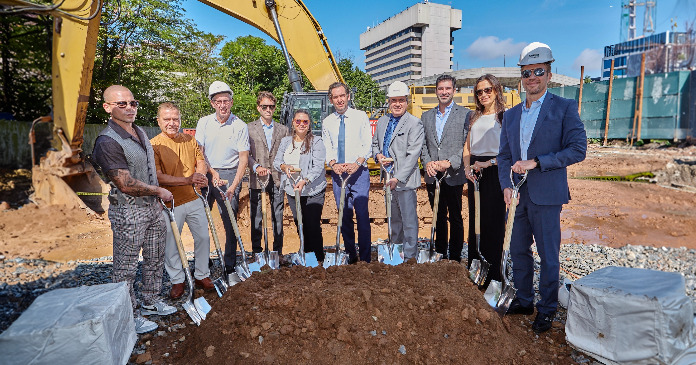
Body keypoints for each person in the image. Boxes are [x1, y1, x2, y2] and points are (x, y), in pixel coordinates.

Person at [498, 42, 587, 333]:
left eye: (538, 71)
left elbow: (578, 149)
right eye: (526, 73)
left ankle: (547, 309)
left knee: (549, 256)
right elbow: (504, 156)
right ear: (520, 77)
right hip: (517, 195)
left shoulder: (563, 108)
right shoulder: (510, 115)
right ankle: (524, 300)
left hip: (547, 195)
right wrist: (505, 186)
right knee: (518, 250)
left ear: (549, 74)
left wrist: (538, 161)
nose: (532, 77)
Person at [92, 85, 176, 334]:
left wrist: (156, 197)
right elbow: (125, 183)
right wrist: (159, 191)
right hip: (128, 212)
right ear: (107, 107)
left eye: (133, 103)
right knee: (126, 268)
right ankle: (128, 315)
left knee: (154, 257)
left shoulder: (139, 131)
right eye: (122, 104)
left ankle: (150, 301)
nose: (130, 108)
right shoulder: (107, 141)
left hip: (152, 208)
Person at [150, 102, 214, 299]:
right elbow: (158, 176)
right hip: (170, 204)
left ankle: (201, 275)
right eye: (167, 119)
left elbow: (200, 161)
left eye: (175, 119)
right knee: (172, 243)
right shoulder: (154, 145)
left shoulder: (189, 140)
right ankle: (178, 280)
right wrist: (187, 179)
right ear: (159, 120)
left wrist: (200, 175)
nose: (172, 123)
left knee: (203, 237)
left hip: (194, 198)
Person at [195, 81, 250, 276]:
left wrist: (233, 187)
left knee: (230, 222)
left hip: (229, 174)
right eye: (218, 101)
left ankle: (229, 264)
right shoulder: (204, 122)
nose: (223, 105)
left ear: (232, 102)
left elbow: (243, 159)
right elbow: (199, 152)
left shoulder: (240, 126)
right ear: (212, 104)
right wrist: (211, 172)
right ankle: (203, 261)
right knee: (201, 220)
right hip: (206, 173)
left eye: (226, 101)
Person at [372, 81, 425, 260]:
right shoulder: (382, 121)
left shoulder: (414, 124)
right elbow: (375, 145)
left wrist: (398, 178)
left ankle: (409, 257)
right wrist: (378, 155)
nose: (397, 104)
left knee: (409, 222)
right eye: (393, 100)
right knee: (394, 220)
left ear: (407, 101)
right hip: (388, 178)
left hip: (405, 181)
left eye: (401, 100)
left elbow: (413, 155)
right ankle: (395, 253)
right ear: (388, 101)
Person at [420, 74, 470, 262]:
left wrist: (450, 162)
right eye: (441, 89)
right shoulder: (426, 116)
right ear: (436, 91)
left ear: (454, 91)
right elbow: (423, 144)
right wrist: (428, 162)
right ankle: (440, 253)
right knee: (438, 216)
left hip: (453, 174)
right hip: (434, 175)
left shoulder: (465, 114)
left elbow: (467, 143)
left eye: (448, 88)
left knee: (455, 217)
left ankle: (455, 257)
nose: (444, 92)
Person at [463, 74, 507, 288]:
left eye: (487, 90)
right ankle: (477, 267)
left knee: (494, 222)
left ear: (496, 90)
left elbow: (509, 151)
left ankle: (494, 275)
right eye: (479, 91)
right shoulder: (474, 117)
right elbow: (467, 147)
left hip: (495, 171)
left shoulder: (504, 117)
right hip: (475, 171)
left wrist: (488, 163)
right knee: (476, 222)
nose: (483, 95)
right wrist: (466, 168)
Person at [322, 82, 372, 263]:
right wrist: (333, 164)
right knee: (344, 217)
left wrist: (358, 163)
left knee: (362, 215)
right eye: (335, 97)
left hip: (359, 173)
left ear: (348, 96)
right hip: (338, 175)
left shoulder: (360, 116)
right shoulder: (327, 122)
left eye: (342, 96)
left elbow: (367, 143)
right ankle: (351, 255)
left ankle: (365, 259)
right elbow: (327, 147)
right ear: (331, 100)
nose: (339, 100)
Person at [274, 109, 327, 262]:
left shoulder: (316, 141)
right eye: (298, 121)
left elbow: (318, 166)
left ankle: (318, 258)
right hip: (292, 190)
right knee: (299, 223)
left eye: (305, 121)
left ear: (309, 124)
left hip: (312, 190)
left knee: (312, 224)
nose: (301, 124)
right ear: (293, 123)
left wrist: (305, 180)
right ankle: (306, 255)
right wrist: (284, 167)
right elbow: (277, 162)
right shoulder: (286, 141)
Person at [247, 91, 289, 257]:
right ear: (259, 107)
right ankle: (257, 252)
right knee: (256, 217)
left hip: (278, 178)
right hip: (258, 178)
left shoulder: (283, 130)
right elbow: (245, 154)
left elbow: (286, 153)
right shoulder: (249, 128)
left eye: (271, 106)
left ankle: (277, 252)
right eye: (265, 106)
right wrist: (256, 167)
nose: (268, 109)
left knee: (278, 217)